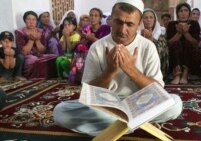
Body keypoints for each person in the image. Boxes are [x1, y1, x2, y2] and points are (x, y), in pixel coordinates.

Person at [53, 0, 182, 136]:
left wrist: (131, 70)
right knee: (60, 111)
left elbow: (158, 91)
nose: (122, 30)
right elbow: (88, 92)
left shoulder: (148, 47)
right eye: (119, 22)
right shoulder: (97, 47)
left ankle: (120, 126)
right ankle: (137, 124)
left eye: (129, 24)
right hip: (106, 107)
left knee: (175, 104)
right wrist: (110, 71)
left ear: (139, 24)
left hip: (140, 104)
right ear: (111, 21)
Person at [15, 11, 57, 79]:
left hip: (39, 54)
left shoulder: (40, 31)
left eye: (33, 19)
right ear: (25, 20)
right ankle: (35, 78)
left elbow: (43, 50)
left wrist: (37, 40)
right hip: (28, 56)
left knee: (54, 57)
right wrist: (31, 40)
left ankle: (49, 77)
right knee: (33, 60)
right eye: (28, 19)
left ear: (36, 21)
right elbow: (23, 52)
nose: (31, 22)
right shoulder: (20, 32)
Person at [167, 3, 201, 84]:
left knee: (187, 43)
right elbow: (169, 43)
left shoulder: (194, 24)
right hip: (175, 51)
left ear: (189, 12)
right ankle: (177, 74)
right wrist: (178, 33)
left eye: (186, 10)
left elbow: (196, 43)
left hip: (190, 51)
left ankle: (185, 73)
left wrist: (186, 33)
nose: (183, 13)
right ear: (177, 13)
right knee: (177, 43)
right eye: (180, 11)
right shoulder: (172, 24)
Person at [140, 8, 169, 80]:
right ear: (141, 20)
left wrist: (151, 39)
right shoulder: (137, 33)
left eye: (151, 17)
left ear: (155, 20)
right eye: (145, 18)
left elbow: (163, 50)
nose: (148, 20)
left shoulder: (161, 33)